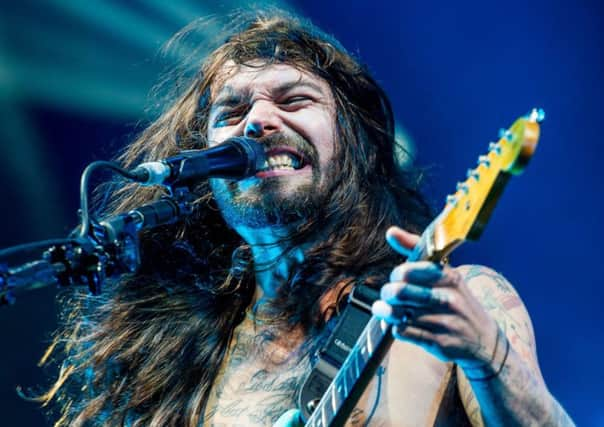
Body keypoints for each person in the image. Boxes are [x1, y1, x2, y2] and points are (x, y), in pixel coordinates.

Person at [38, 10, 574, 427]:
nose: (259, 122)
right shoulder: (175, 358)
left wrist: (487, 356)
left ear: (356, 148)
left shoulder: (459, 300)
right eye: (231, 113)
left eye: (295, 100)